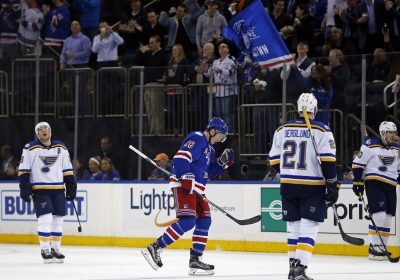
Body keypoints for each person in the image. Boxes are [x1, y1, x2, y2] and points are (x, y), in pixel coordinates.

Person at [141, 117, 235, 276]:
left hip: (198, 189)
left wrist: (221, 163)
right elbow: (180, 158)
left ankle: (195, 260)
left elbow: (208, 172)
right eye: (220, 135)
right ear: (212, 131)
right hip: (184, 186)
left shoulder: (210, 150)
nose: (220, 140)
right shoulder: (197, 138)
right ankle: (155, 247)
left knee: (205, 220)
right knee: (188, 221)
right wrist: (185, 177)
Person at [268, 93, 339, 280]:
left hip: (288, 185)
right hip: (311, 187)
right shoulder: (322, 130)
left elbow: (274, 162)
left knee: (294, 228)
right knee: (310, 227)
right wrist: (333, 184)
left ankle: (293, 269)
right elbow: (329, 163)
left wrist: (285, 173)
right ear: (314, 109)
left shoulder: (282, 129)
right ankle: (300, 268)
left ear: (298, 108)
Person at [18, 122, 77, 263]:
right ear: (37, 133)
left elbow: (68, 170)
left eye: (46, 128)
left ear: (50, 131)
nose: (44, 131)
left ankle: (55, 248)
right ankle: (45, 249)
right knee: (45, 219)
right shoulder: (30, 148)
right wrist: (24, 188)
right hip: (40, 191)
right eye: (40, 129)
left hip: (58, 190)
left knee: (58, 220)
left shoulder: (61, 148)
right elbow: (24, 170)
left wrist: (71, 187)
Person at [352, 121, 400, 261]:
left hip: (391, 185)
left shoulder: (396, 149)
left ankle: (382, 248)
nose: (393, 135)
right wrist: (358, 182)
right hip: (374, 183)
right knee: (379, 214)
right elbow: (357, 164)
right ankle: (374, 247)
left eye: (394, 132)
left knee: (388, 217)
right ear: (383, 133)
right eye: (390, 132)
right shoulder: (370, 145)